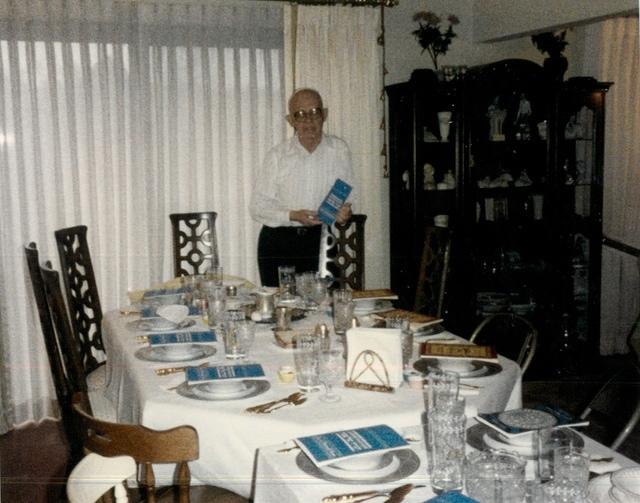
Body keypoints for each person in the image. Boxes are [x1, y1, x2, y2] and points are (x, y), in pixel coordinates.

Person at [250, 88, 356, 287]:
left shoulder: (339, 150)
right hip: (278, 242)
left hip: (320, 240)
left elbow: (346, 195)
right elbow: (257, 207)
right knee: (282, 311)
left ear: (324, 114)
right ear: (291, 120)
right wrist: (293, 215)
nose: (308, 120)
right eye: (300, 114)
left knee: (325, 308)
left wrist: (343, 211)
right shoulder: (277, 156)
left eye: (314, 112)